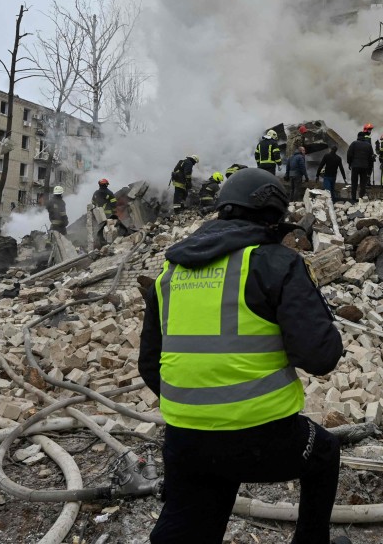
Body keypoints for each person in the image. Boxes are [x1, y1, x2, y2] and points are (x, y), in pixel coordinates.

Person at [139, 168, 345, 544]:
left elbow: (149, 365)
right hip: (262, 439)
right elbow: (320, 357)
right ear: (274, 214)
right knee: (325, 453)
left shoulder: (170, 272)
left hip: (184, 439)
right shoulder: (275, 263)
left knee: (191, 515)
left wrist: (200, 406)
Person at [347, 131, 375, 201]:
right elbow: (371, 158)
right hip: (365, 167)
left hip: (355, 166)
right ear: (364, 137)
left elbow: (349, 154)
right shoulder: (368, 145)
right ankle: (361, 198)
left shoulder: (354, 144)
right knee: (363, 184)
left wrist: (350, 163)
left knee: (354, 183)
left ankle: (353, 199)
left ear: (358, 136)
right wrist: (370, 168)